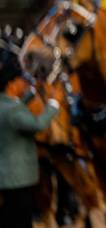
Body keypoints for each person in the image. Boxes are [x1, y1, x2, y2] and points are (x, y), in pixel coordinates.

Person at [0, 46, 59, 228]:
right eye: (20, 81)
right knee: (21, 220)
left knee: (9, 217)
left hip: (6, 179)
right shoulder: (13, 112)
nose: (23, 84)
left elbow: (16, 108)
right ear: (11, 84)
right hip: (18, 179)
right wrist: (53, 104)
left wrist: (31, 94)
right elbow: (37, 124)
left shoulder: (5, 104)